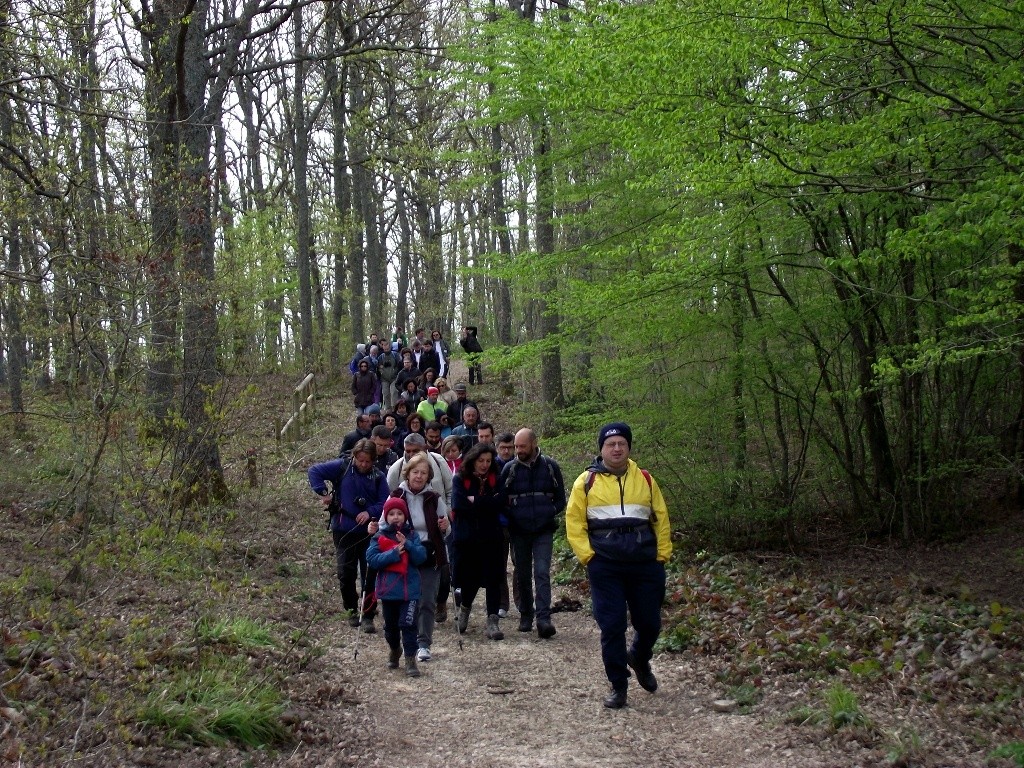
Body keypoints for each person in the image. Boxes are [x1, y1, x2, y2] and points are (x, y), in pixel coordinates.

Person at [565, 422, 673, 709]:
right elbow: (574, 523)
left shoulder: (646, 480)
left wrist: (662, 554)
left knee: (649, 623)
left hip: (645, 563)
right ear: (601, 449)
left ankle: (639, 656)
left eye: (621, 444)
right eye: (610, 444)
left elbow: (660, 517)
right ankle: (618, 685)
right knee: (611, 625)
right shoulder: (585, 482)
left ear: (628, 448)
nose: (616, 449)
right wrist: (589, 557)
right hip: (606, 565)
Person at [308, 439, 390, 632]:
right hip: (343, 529)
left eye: (367, 461)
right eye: (360, 460)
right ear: (354, 456)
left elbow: (385, 502)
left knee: (370, 574)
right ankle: (351, 610)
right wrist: (322, 492)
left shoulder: (378, 476)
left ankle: (368, 614)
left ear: (373, 460)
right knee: (346, 573)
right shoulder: (342, 467)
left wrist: (370, 512)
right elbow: (314, 471)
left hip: (369, 532)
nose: (363, 464)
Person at [500, 428, 565, 639]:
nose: (518, 450)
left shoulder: (550, 467)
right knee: (523, 573)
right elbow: (501, 499)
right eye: (516, 447)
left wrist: (549, 513)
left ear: (534, 444)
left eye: (522, 446)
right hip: (519, 531)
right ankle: (526, 615)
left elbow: (561, 499)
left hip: (544, 530)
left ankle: (544, 618)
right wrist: (514, 517)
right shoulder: (509, 469)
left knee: (542, 572)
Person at [389, 453, 451, 662]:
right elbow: (383, 525)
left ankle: (424, 643)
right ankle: (407, 641)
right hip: (403, 553)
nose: (419, 476)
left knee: (427, 600)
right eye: (416, 472)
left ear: (429, 476)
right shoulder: (397, 496)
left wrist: (445, 527)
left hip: (429, 552)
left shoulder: (434, 498)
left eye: (424, 473)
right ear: (408, 473)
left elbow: (446, 530)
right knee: (406, 600)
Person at [366, 496, 428, 677]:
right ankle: (395, 649)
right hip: (389, 591)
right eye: (391, 514)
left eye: (399, 513)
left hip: (410, 591)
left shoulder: (412, 535)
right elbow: (372, 559)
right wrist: (393, 553)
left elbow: (421, 557)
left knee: (408, 624)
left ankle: (410, 659)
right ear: (386, 516)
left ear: (405, 516)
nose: (395, 517)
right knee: (390, 627)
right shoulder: (379, 536)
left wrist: (407, 545)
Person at [451, 443, 506, 640]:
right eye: (481, 460)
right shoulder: (461, 479)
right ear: (473, 460)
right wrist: (486, 504)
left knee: (493, 579)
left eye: (488, 461)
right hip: (468, 539)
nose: (484, 465)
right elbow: (459, 505)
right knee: (470, 579)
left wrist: (476, 501)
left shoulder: (496, 480)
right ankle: (465, 608)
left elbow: (500, 503)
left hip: (491, 537)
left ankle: (492, 621)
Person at [386, 433, 454, 505]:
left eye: (415, 451)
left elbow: (451, 490)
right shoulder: (395, 469)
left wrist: (447, 510)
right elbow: (391, 500)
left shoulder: (439, 460)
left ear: (425, 448)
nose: (411, 454)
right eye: (408, 451)